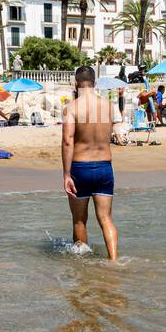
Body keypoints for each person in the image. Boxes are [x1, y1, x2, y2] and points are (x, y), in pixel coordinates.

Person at [62, 65, 119, 260]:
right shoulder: (108, 106)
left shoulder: (71, 108)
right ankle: (114, 261)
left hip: (80, 168)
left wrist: (66, 174)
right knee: (106, 218)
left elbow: (68, 140)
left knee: (79, 220)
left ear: (76, 83)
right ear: (94, 83)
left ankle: (82, 267)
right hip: (104, 167)